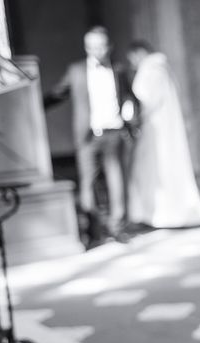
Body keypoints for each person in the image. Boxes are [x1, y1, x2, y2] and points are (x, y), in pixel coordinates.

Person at [44, 26, 131, 245]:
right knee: (87, 184)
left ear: (109, 47)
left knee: (116, 180)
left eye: (100, 46)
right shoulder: (76, 70)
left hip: (114, 134)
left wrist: (132, 120)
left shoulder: (119, 69)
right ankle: (94, 231)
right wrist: (34, 106)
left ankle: (116, 226)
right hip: (87, 136)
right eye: (91, 47)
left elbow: (131, 96)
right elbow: (58, 93)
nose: (96, 51)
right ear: (86, 47)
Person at [125, 41, 200, 229]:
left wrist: (133, 118)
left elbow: (147, 101)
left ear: (140, 53)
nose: (131, 63)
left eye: (132, 58)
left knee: (153, 171)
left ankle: (158, 215)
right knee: (168, 169)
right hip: (167, 128)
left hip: (154, 130)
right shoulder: (164, 69)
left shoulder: (150, 70)